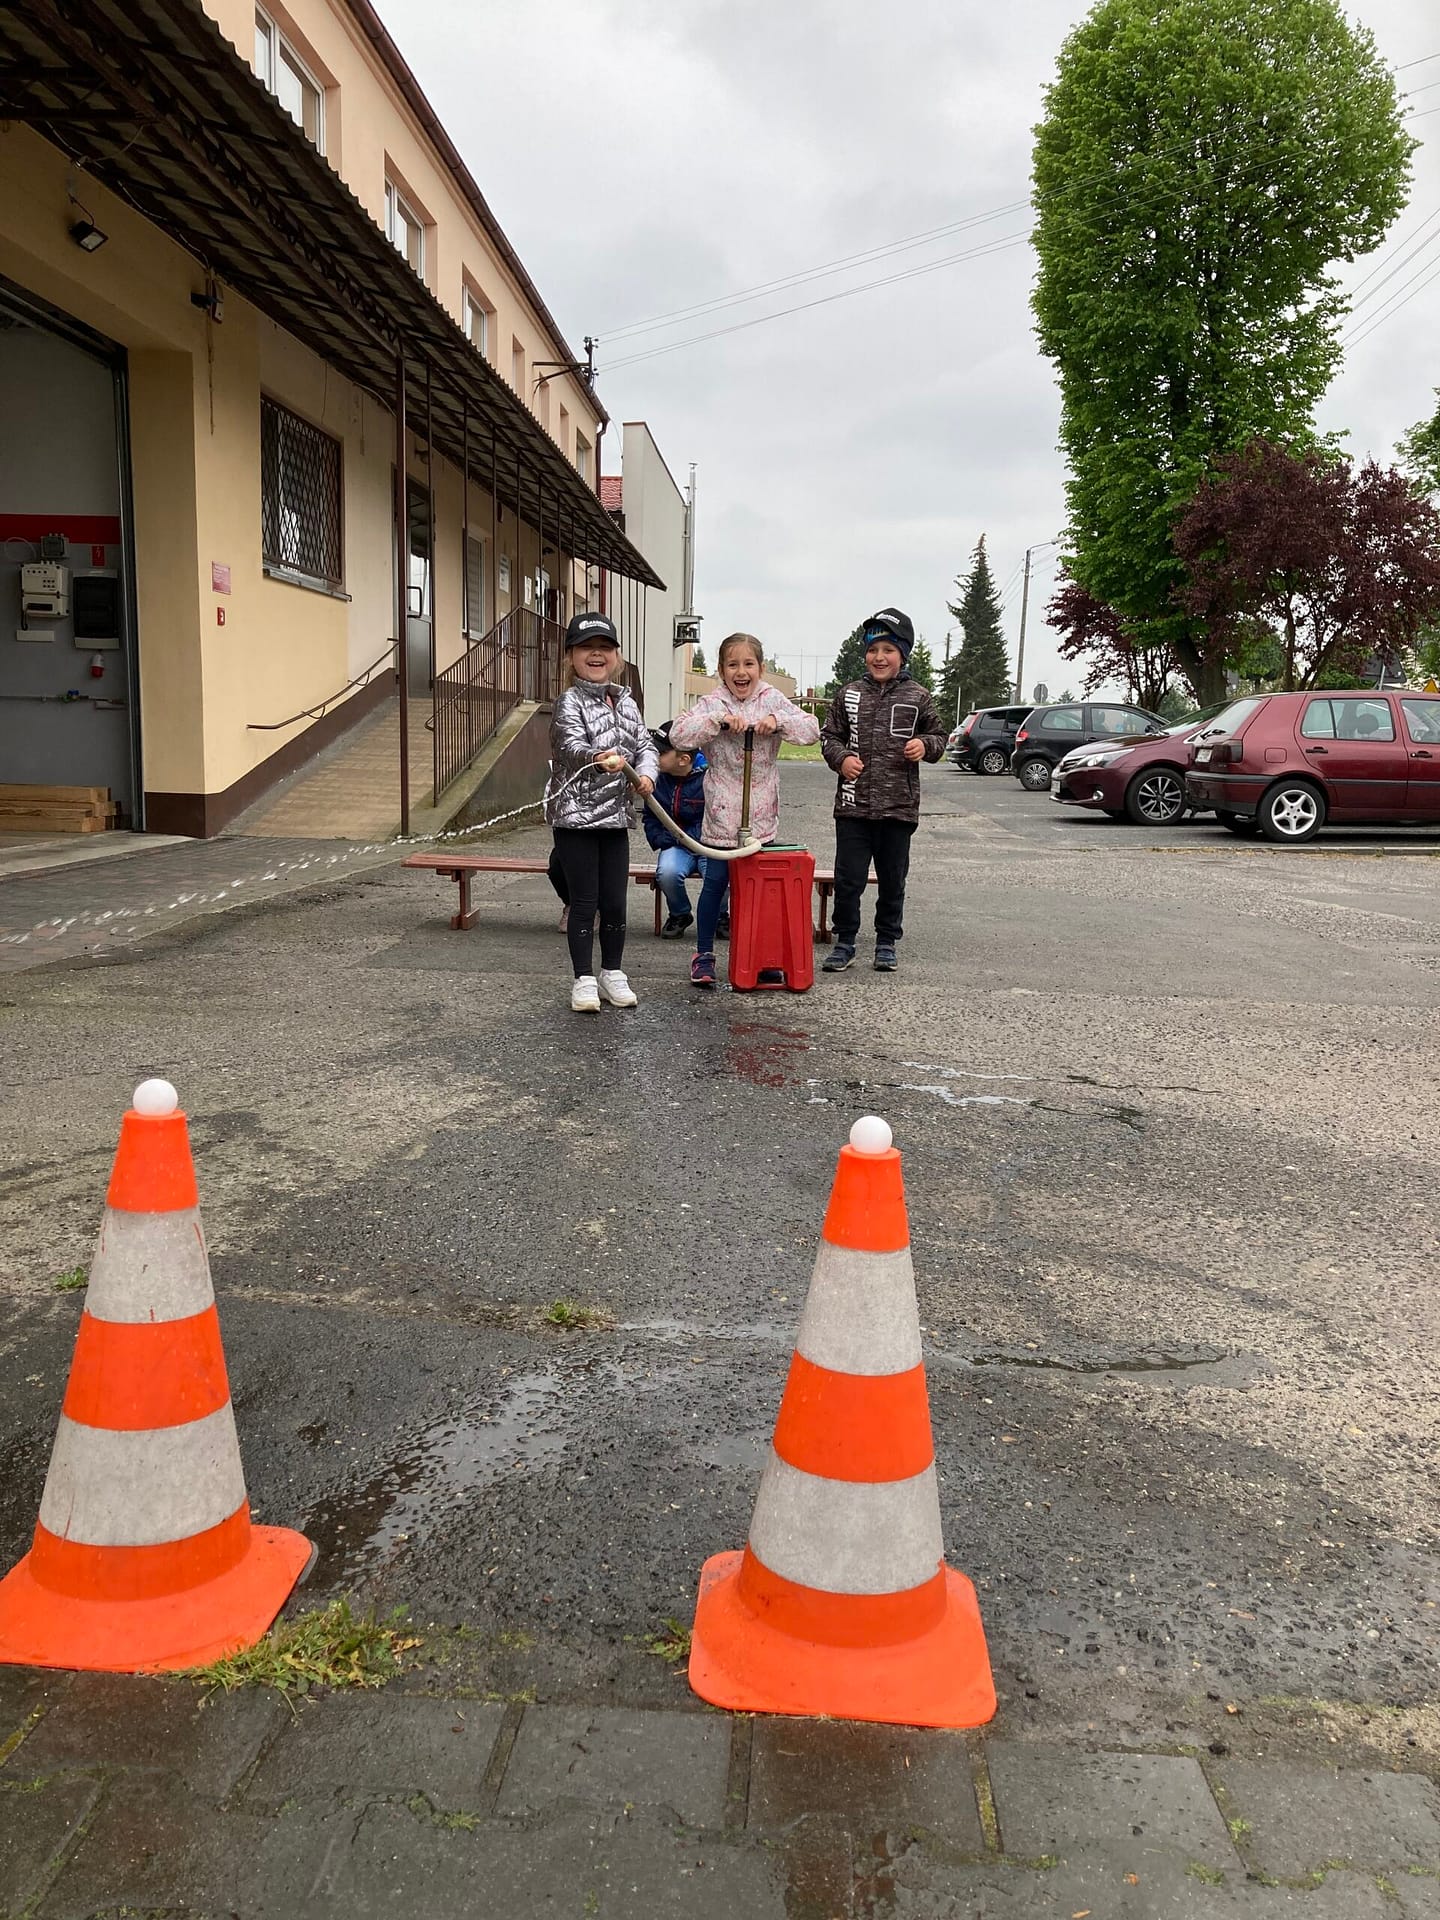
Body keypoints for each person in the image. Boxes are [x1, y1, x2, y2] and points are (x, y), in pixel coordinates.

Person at [671, 633, 820, 987]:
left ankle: (762, 955)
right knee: (715, 885)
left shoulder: (772, 699)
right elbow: (678, 735)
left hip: (760, 817)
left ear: (761, 668)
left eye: (748, 664)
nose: (741, 672)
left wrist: (777, 721)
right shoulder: (712, 702)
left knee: (761, 891)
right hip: (722, 816)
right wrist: (718, 721)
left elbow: (812, 730)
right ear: (721, 670)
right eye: (733, 665)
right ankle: (704, 954)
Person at [819, 607, 945, 973]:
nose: (879, 657)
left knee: (893, 880)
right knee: (848, 879)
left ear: (902, 654)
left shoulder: (918, 696)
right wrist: (842, 758)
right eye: (873, 649)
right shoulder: (848, 694)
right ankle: (845, 941)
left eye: (888, 650)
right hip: (853, 808)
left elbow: (939, 737)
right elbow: (829, 737)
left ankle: (886, 941)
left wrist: (924, 745)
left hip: (898, 809)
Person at [544, 612, 657, 1012]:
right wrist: (598, 758)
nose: (596, 654)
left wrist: (646, 774)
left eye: (605, 647)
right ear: (571, 656)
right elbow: (570, 747)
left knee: (615, 901)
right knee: (585, 901)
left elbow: (645, 746)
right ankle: (583, 979)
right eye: (586, 647)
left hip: (615, 818)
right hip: (575, 819)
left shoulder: (627, 702)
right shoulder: (567, 702)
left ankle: (612, 972)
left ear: (617, 657)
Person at [643, 722, 709, 937]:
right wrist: (660, 838)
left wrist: (684, 836)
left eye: (660, 753)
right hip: (675, 843)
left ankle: (719, 915)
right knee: (667, 873)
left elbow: (716, 817)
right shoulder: (656, 779)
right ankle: (680, 913)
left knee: (718, 876)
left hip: (710, 844)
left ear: (683, 759)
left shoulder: (710, 778)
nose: (653, 758)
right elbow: (650, 816)